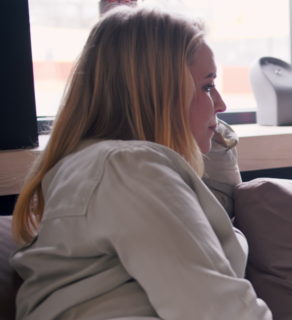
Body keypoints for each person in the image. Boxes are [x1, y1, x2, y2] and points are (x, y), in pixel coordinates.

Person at [10, 6, 272, 319]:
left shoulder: (90, 168)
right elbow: (221, 310)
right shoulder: (131, 168)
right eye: (206, 85)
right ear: (159, 91)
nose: (221, 104)